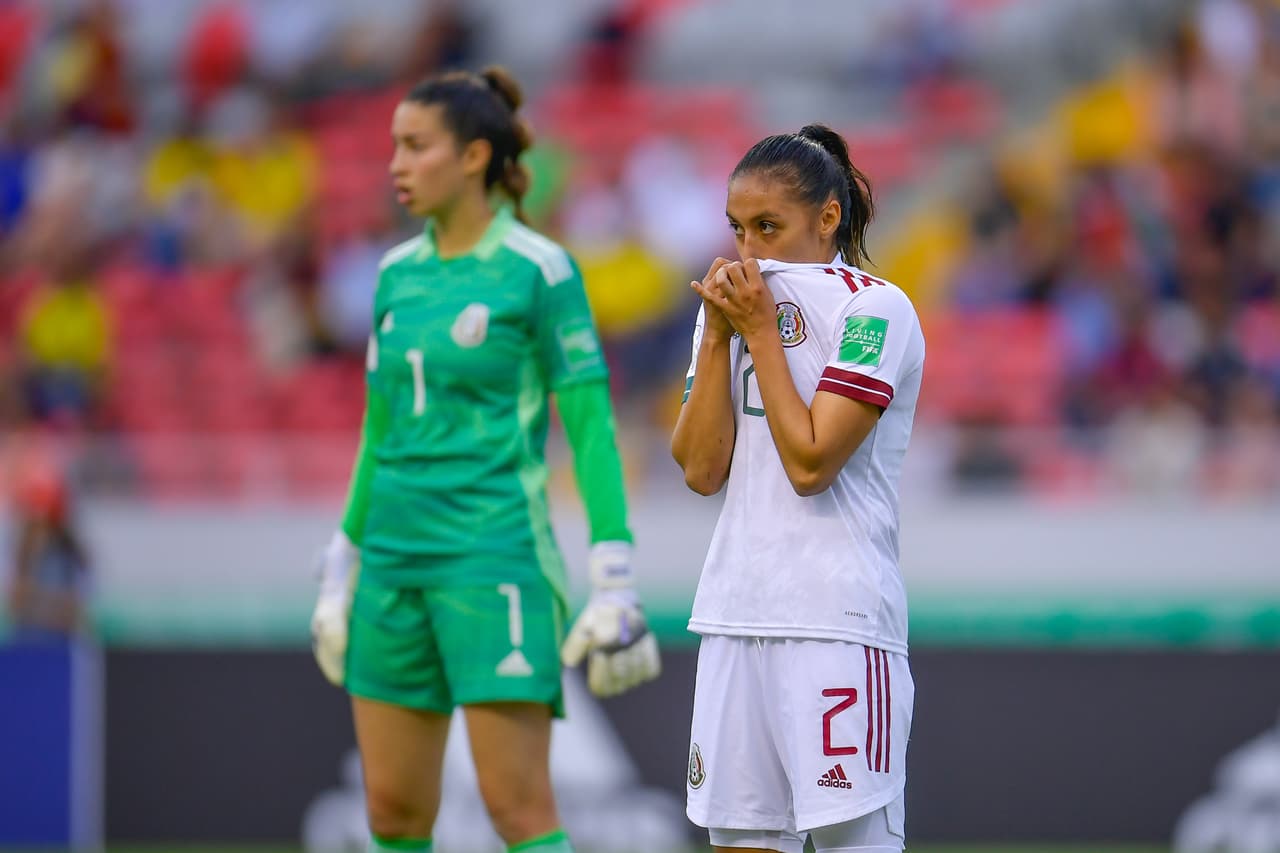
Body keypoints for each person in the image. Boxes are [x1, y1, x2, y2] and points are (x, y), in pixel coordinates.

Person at [308, 67, 660, 853]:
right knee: (394, 814)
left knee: (519, 812)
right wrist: (343, 560)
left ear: (472, 157)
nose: (394, 163)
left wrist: (615, 571)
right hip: (392, 569)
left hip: (491, 556)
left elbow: (593, 428)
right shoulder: (394, 275)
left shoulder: (540, 270)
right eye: (392, 145)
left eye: (415, 145)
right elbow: (380, 429)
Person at [671, 125, 925, 853]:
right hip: (734, 613)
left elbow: (811, 463)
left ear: (827, 217)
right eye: (738, 229)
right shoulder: (726, 310)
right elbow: (699, 469)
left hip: (837, 620)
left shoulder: (876, 310)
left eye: (768, 227)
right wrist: (719, 337)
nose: (749, 250)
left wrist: (756, 334)